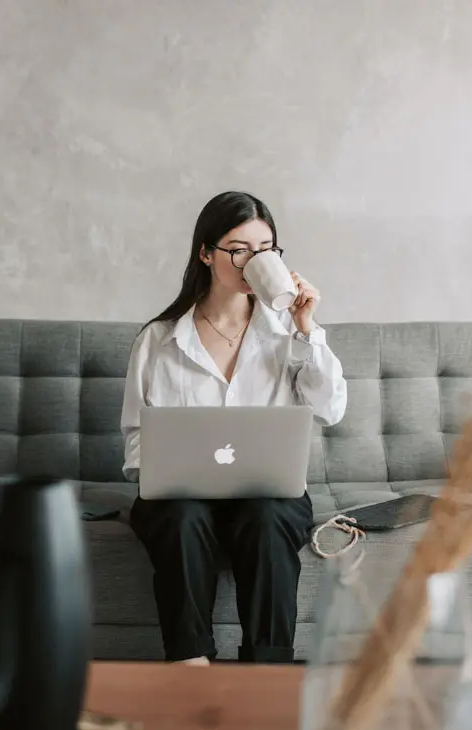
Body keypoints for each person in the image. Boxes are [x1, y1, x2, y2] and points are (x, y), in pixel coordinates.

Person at [120, 191, 348, 665]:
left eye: (266, 250)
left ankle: (267, 670)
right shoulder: (159, 339)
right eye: (239, 249)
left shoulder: (288, 333)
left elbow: (330, 410)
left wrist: (307, 328)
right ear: (206, 253)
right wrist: (164, 471)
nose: (254, 261)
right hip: (181, 498)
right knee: (181, 518)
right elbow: (137, 439)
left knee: (268, 519)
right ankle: (190, 664)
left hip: (266, 493)